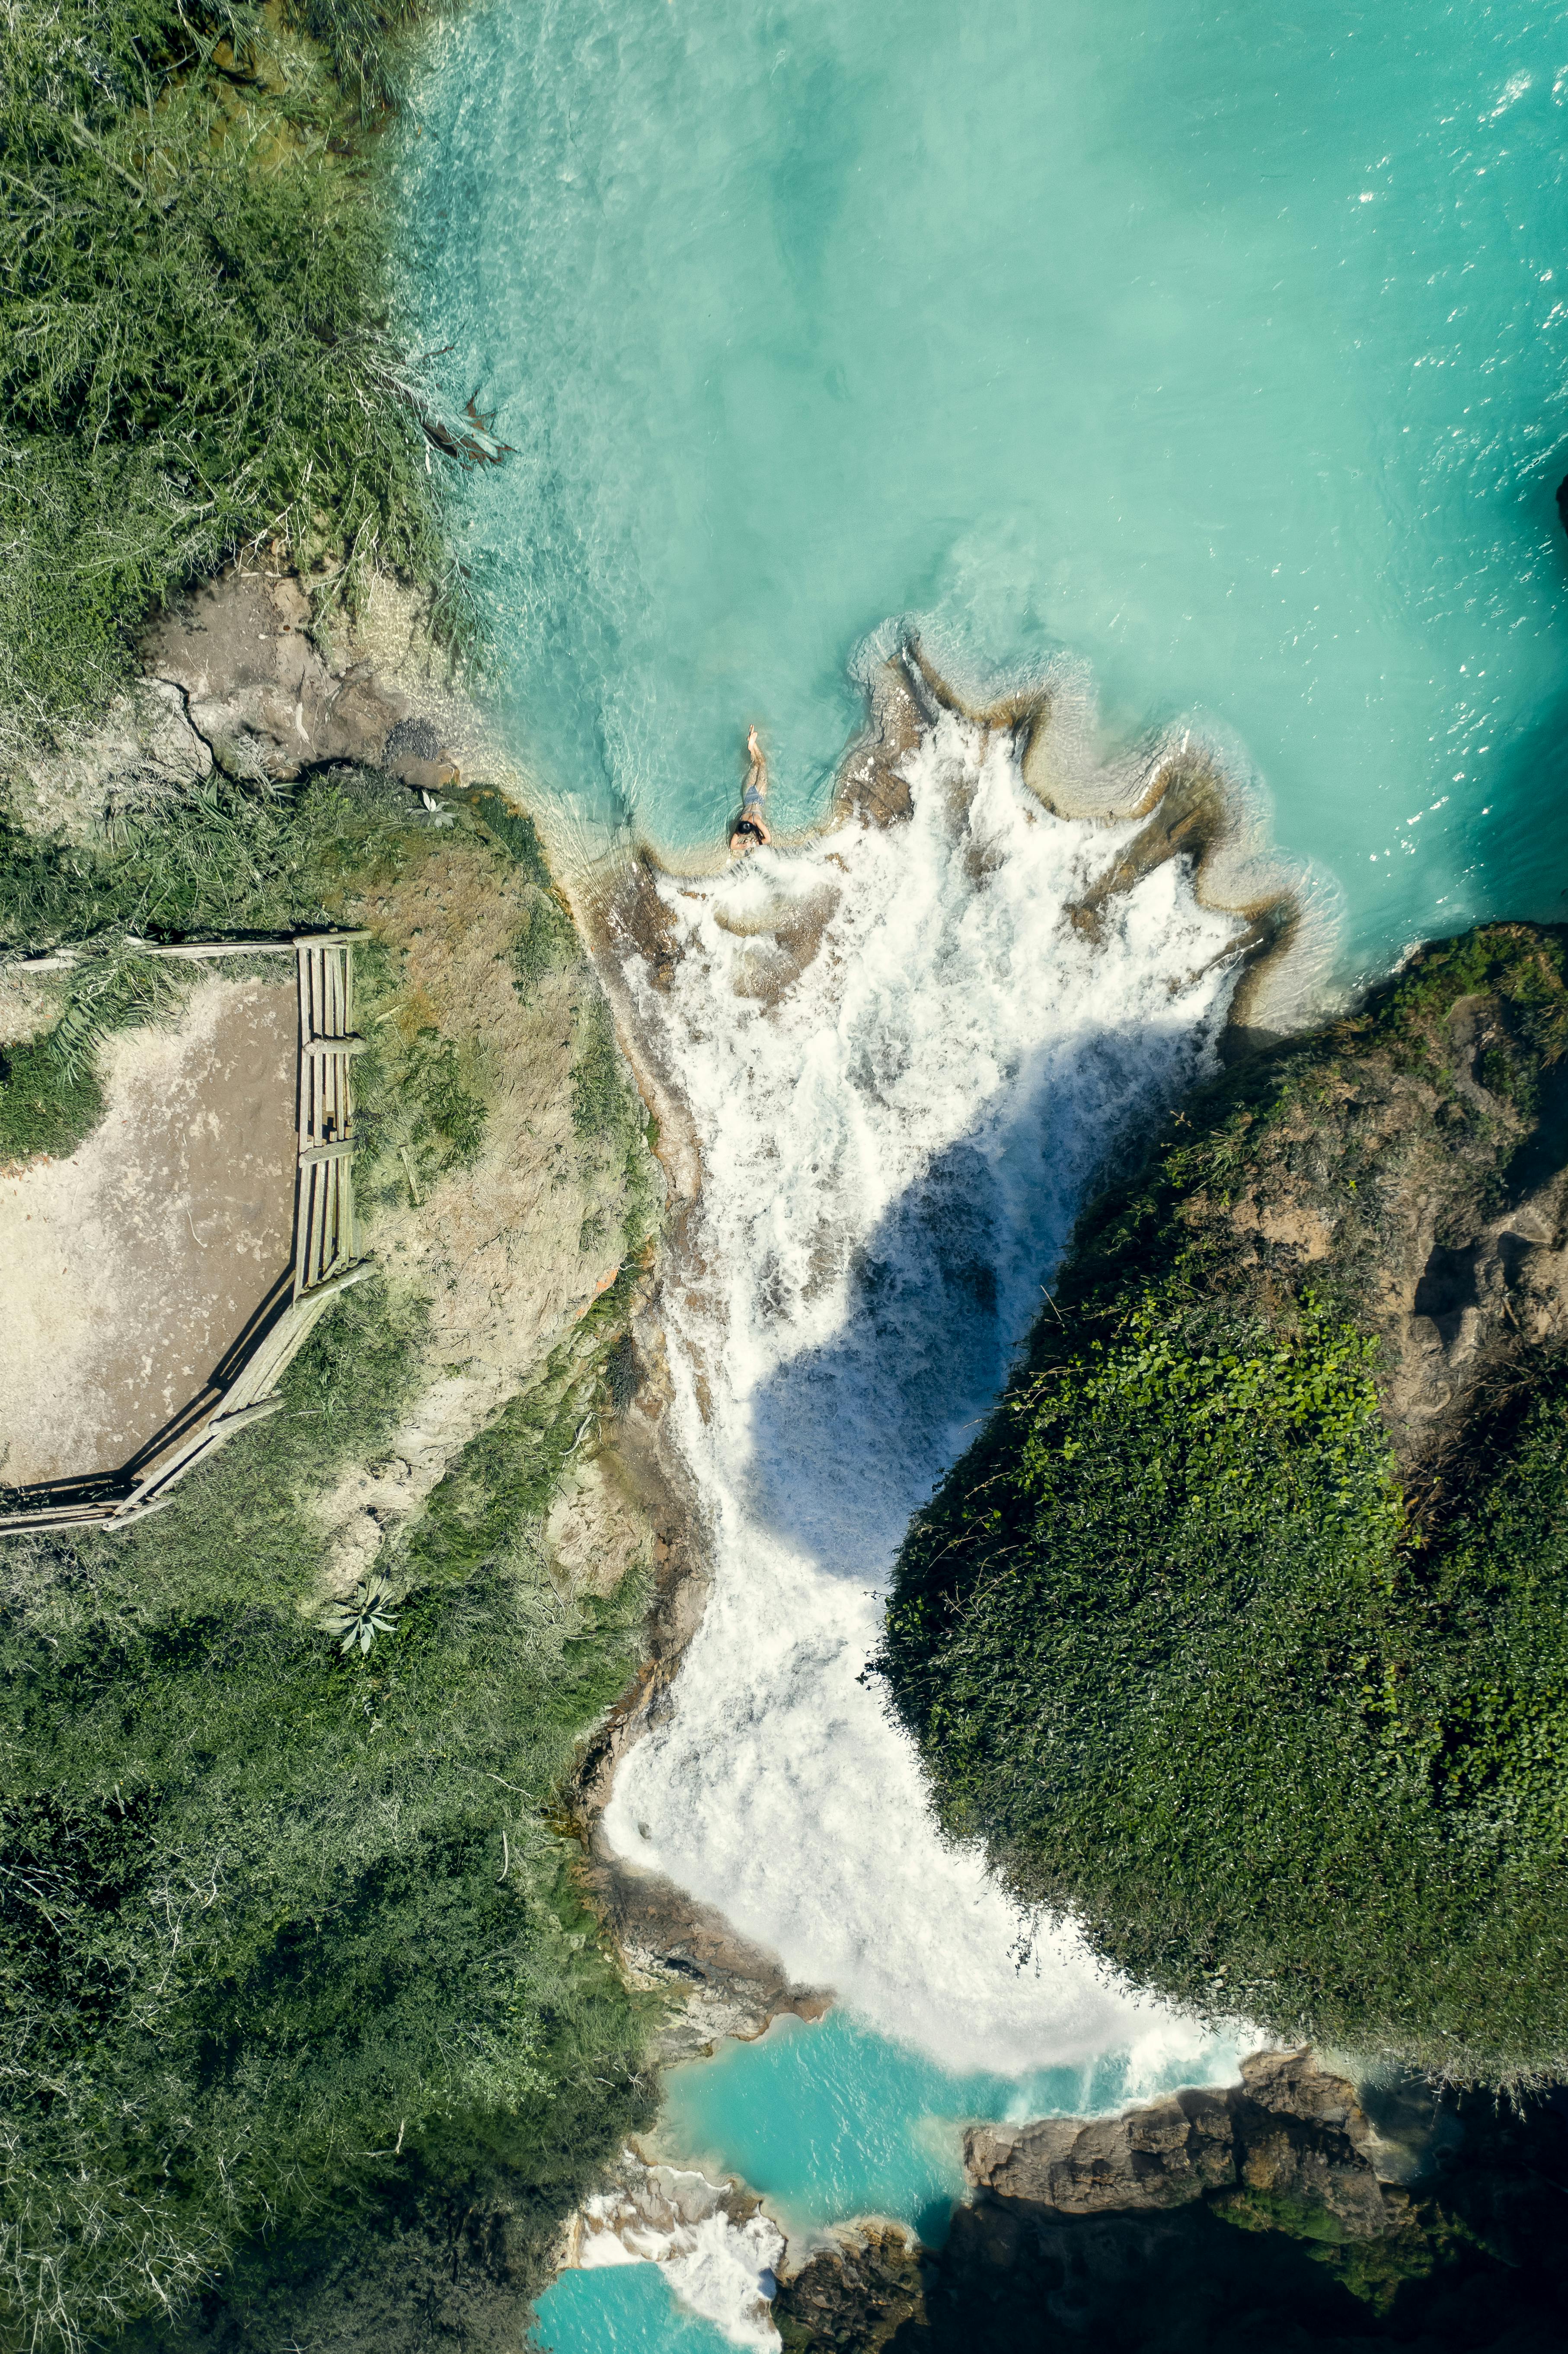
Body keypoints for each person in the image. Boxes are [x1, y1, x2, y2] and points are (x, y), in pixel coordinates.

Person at [729, 724, 772, 854]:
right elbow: (733, 846)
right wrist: (749, 844)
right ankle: (752, 746)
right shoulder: (741, 822)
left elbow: (768, 840)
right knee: (756, 764)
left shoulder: (757, 821)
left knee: (763, 764)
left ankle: (753, 745)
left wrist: (751, 844)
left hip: (759, 796)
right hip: (748, 795)